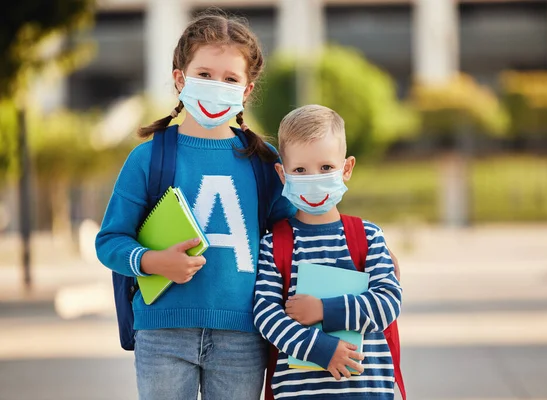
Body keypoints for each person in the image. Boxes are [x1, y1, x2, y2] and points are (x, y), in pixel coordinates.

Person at [95, 11, 295, 400]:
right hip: (162, 334)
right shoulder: (147, 158)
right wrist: (152, 262)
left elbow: (294, 235)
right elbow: (110, 240)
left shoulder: (264, 162)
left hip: (244, 335)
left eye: (230, 79)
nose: (216, 85)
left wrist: (363, 251)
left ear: (247, 90)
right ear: (179, 79)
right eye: (204, 74)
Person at [254, 104, 402, 400]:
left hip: (366, 392)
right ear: (283, 175)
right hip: (299, 393)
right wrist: (321, 350)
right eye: (300, 170)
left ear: (346, 168)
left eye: (325, 168)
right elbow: (265, 314)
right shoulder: (275, 244)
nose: (314, 178)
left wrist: (324, 311)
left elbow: (388, 302)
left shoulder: (368, 236)